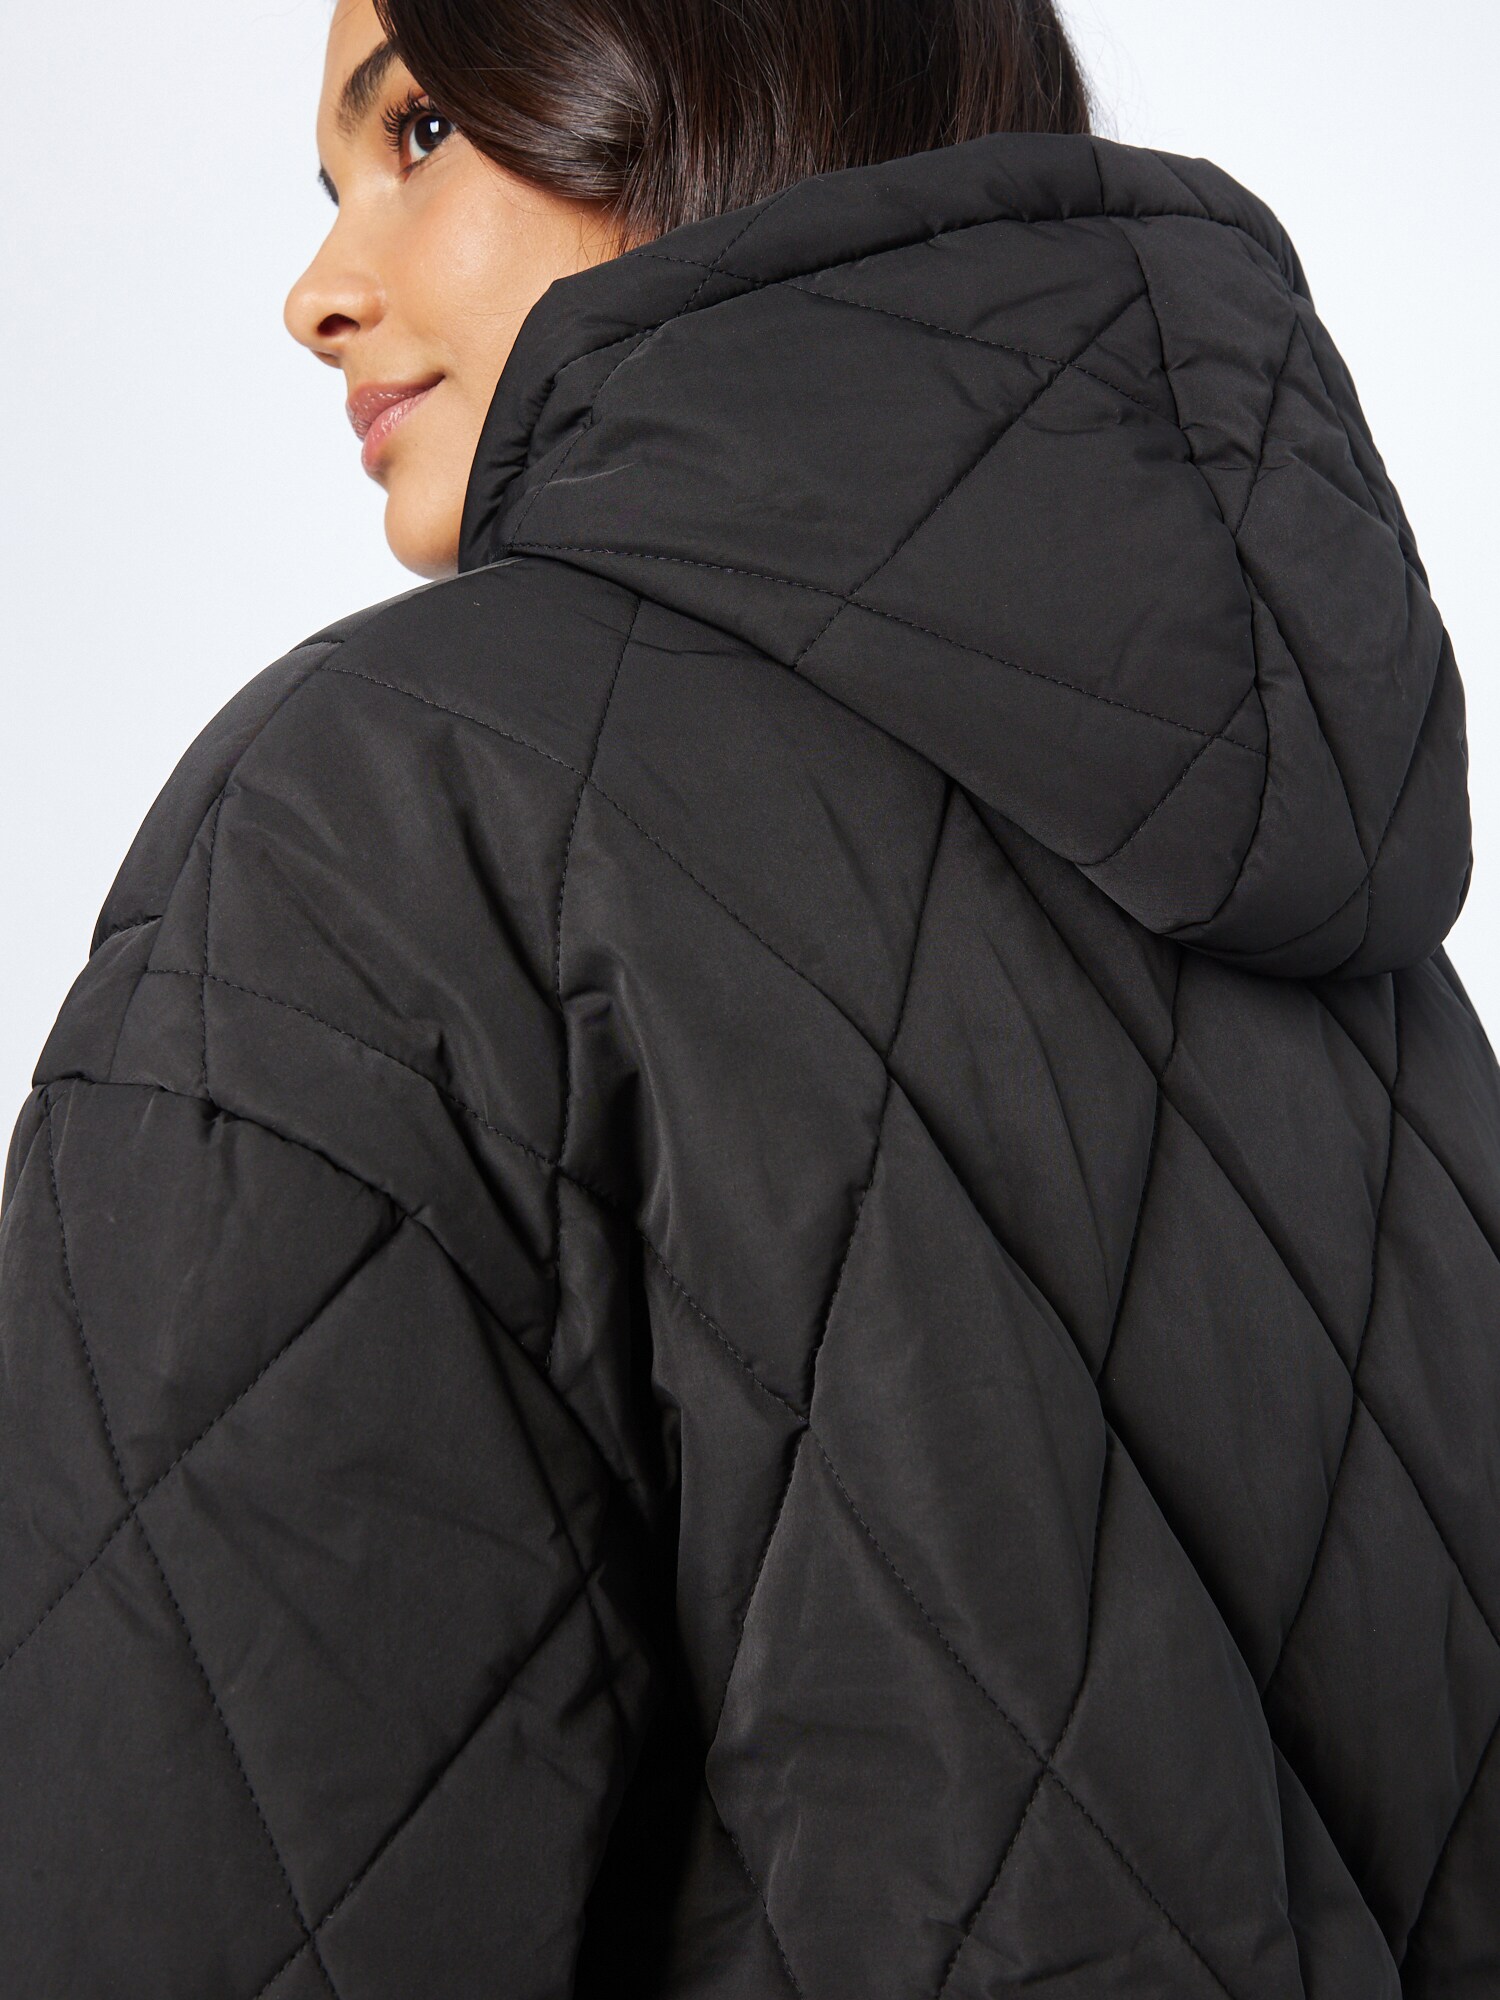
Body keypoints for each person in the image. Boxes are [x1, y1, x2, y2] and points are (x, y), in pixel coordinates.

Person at [0, 0, 1494, 1991]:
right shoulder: (1350, 933)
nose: (317, 292)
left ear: (722, 74)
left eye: (422, 131)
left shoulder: (388, 822)